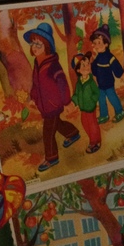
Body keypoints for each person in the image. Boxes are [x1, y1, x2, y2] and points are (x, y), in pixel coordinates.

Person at [23, 22, 80, 172]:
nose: (34, 47)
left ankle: (51, 158)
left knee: (48, 132)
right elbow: (36, 83)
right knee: (57, 123)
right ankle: (73, 133)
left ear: (47, 45)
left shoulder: (53, 65)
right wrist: (32, 97)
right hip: (44, 104)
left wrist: (67, 102)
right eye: (33, 43)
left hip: (54, 103)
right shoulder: (37, 62)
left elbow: (62, 84)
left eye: (39, 44)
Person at [90, 25, 124, 124]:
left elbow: (116, 66)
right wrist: (92, 64)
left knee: (112, 97)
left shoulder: (109, 57)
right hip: (100, 84)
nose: (96, 45)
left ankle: (120, 111)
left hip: (109, 83)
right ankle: (104, 115)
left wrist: (121, 74)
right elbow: (94, 69)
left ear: (106, 44)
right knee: (101, 99)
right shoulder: (98, 57)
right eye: (95, 43)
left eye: (99, 42)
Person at [71, 53, 101, 154]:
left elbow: (96, 92)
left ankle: (94, 142)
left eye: (88, 64)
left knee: (92, 124)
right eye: (83, 65)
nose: (87, 67)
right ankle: (93, 139)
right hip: (83, 108)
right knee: (84, 123)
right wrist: (73, 102)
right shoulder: (79, 83)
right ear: (78, 70)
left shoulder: (91, 81)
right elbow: (76, 94)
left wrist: (92, 100)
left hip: (90, 107)